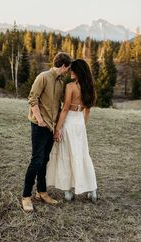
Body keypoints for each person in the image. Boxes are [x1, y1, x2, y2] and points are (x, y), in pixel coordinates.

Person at [22, 52, 72, 212]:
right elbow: (32, 98)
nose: (68, 71)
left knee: (44, 161)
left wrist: (56, 127)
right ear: (64, 66)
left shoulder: (60, 81)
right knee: (36, 160)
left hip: (51, 127)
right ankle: (26, 196)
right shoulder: (43, 77)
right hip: (39, 126)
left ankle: (41, 192)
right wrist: (40, 120)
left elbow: (58, 106)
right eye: (68, 68)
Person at [46, 59, 98, 203]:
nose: (70, 72)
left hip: (69, 121)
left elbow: (65, 109)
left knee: (66, 154)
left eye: (72, 70)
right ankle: (92, 190)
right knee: (82, 155)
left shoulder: (71, 86)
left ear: (78, 71)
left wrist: (58, 128)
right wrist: (83, 127)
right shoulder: (90, 87)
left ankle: (68, 192)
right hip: (80, 122)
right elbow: (87, 110)